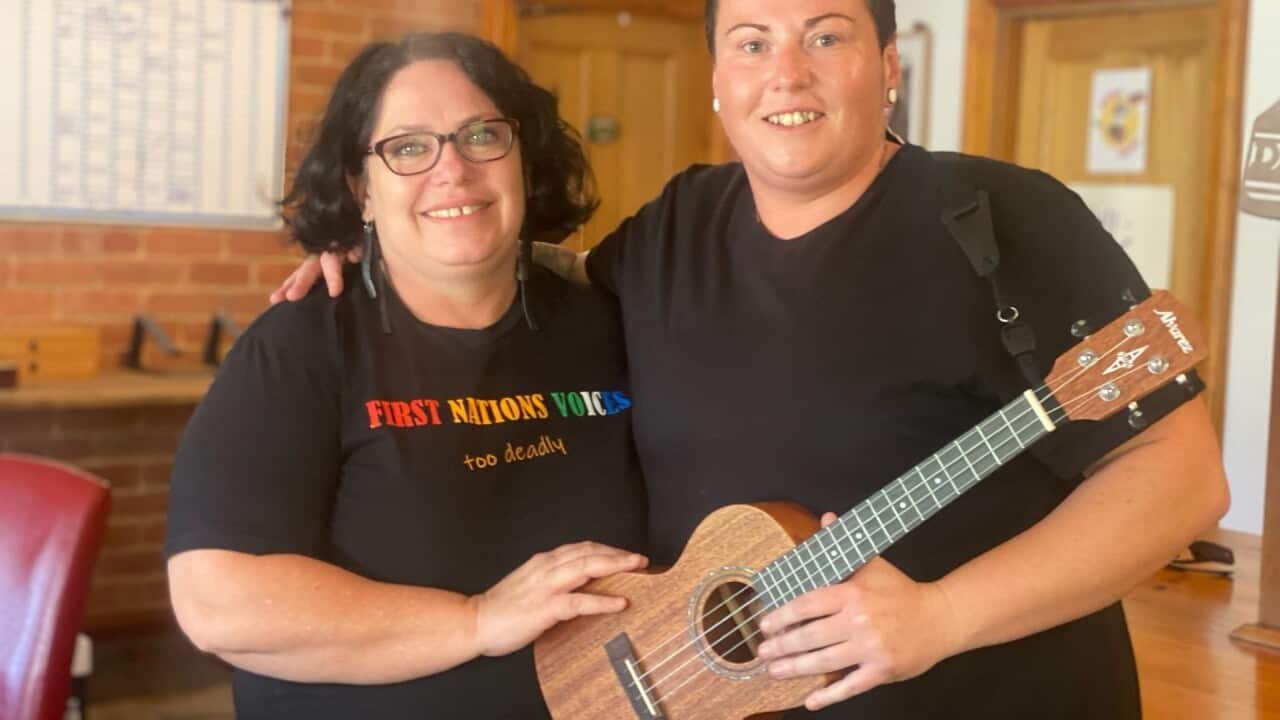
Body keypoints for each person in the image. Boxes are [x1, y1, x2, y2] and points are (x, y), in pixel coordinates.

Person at [275, 1, 1230, 717]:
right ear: (718, 81)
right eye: (753, 42)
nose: (787, 75)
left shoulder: (1005, 219)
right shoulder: (677, 225)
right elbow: (535, 287)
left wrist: (943, 616)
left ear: (888, 66)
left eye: (825, 36)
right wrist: (392, 248)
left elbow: (1181, 480)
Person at [164, 32, 650, 719]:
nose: (451, 169)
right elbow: (217, 601)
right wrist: (477, 621)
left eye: (481, 135)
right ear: (363, 190)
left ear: (526, 164)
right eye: (409, 147)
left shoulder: (610, 324)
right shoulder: (303, 345)